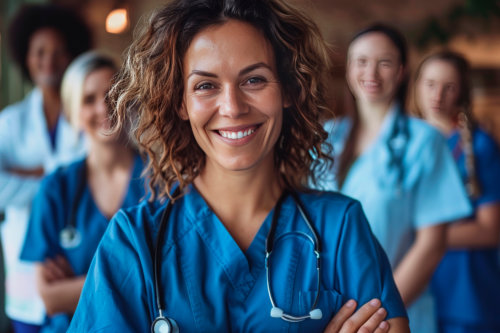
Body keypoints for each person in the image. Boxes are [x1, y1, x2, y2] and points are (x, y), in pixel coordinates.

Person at [68, 0, 410, 332]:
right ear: (181, 103)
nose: (232, 107)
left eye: (254, 80)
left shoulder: (340, 229)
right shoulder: (135, 242)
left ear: (289, 90)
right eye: (205, 85)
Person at [315, 24, 472, 333]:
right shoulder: (325, 138)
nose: (371, 72)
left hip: (393, 316)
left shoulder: (424, 140)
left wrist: (380, 313)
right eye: (361, 61)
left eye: (384, 62)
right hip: (328, 315)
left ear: (401, 72)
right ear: (348, 69)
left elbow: (432, 243)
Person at [16, 51, 147, 333]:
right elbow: (50, 299)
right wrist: (136, 277)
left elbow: (169, 282)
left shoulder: (161, 179)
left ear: (130, 100)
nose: (104, 107)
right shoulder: (56, 188)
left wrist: (76, 285)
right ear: (73, 113)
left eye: (114, 92)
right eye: (89, 99)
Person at [0, 4, 91, 332]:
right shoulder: (10, 122)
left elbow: (98, 177)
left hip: (77, 268)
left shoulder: (91, 116)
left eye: (59, 51)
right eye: (40, 51)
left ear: (73, 56)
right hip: (26, 273)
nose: (49, 60)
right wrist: (61, 178)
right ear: (26, 57)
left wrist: (32, 173)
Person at [413, 50, 500, 333]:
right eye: (430, 84)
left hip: (466, 295)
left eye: (448, 87)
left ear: (461, 92)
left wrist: (420, 237)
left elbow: (490, 230)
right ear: (415, 86)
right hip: (413, 288)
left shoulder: (480, 146)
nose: (437, 95)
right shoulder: (401, 143)